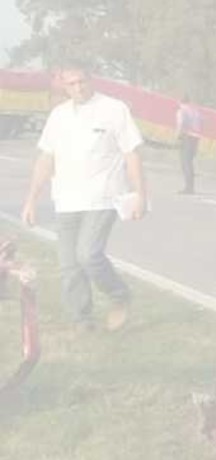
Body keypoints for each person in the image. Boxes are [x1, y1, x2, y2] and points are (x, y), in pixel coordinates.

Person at [20, 62, 147, 333]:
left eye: (82, 81)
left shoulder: (114, 109)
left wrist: (139, 194)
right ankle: (82, 319)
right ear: (64, 87)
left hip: (103, 197)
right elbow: (46, 158)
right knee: (69, 266)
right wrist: (31, 199)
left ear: (91, 80)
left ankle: (119, 294)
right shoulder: (59, 115)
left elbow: (132, 154)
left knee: (88, 254)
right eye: (72, 84)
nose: (78, 88)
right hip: (66, 200)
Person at [175, 95, 201, 194]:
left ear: (179, 101)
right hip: (196, 137)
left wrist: (178, 135)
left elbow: (181, 123)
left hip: (187, 136)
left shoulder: (181, 111)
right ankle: (191, 186)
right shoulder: (195, 111)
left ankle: (188, 188)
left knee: (185, 162)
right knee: (190, 162)